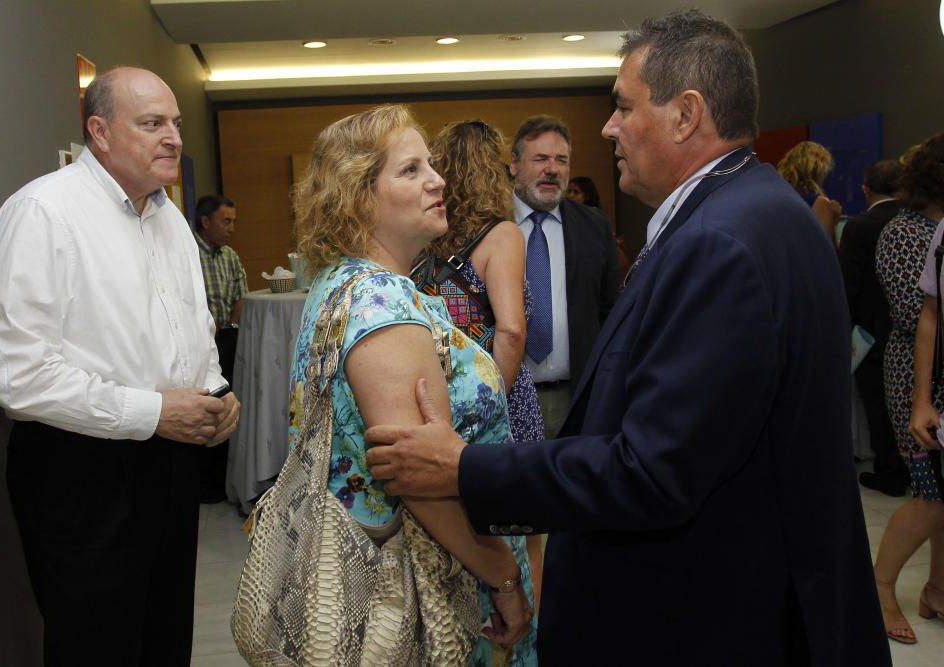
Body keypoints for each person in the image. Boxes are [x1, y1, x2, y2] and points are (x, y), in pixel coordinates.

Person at [366, 10, 888, 665]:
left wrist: (464, 466)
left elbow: (652, 470)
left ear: (685, 113)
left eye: (622, 106)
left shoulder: (722, 242)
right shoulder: (752, 213)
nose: (608, 127)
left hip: (709, 621)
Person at [0, 67, 240, 666]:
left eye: (174, 123)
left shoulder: (168, 217)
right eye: (152, 124)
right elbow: (13, 372)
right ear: (99, 131)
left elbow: (188, 327)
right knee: (96, 644)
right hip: (81, 468)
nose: (173, 137)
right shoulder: (43, 213)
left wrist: (215, 392)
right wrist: (152, 413)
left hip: (168, 461)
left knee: (164, 635)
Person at [288, 105, 536, 664]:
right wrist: (503, 578)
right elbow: (420, 479)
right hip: (420, 584)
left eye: (432, 164)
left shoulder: (342, 282)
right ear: (358, 195)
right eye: (410, 170)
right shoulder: (383, 305)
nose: (438, 179)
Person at [423, 118, 546, 609]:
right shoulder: (502, 236)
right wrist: (494, 407)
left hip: (442, 401)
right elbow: (512, 331)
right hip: (501, 401)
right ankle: (525, 642)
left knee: (460, 540)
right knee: (524, 537)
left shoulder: (427, 241)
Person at [873, 133, 944, 644]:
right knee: (931, 494)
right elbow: (915, 313)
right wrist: (923, 397)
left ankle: (937, 590)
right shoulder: (904, 232)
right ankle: (879, 588)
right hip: (918, 375)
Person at [509, 115, 619, 438]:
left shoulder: (595, 227)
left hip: (579, 400)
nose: (552, 169)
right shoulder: (488, 226)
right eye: (540, 159)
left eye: (561, 160)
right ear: (514, 164)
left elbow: (610, 313)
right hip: (508, 400)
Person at [839, 160, 907, 496]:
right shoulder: (916, 221)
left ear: (866, 189)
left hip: (871, 333)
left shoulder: (859, 227)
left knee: (879, 407)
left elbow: (847, 284)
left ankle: (890, 472)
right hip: (912, 330)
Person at [194, 194, 247, 503]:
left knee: (225, 409)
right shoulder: (186, 253)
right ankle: (203, 485)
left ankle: (220, 482)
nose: (231, 228)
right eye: (226, 221)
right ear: (205, 221)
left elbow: (240, 293)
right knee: (203, 410)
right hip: (199, 344)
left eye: (234, 222)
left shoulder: (230, 256)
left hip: (226, 339)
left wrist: (232, 324)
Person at [777, 140, 843, 244]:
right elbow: (825, 251)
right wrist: (833, 221)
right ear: (819, 169)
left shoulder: (778, 197)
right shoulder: (819, 202)